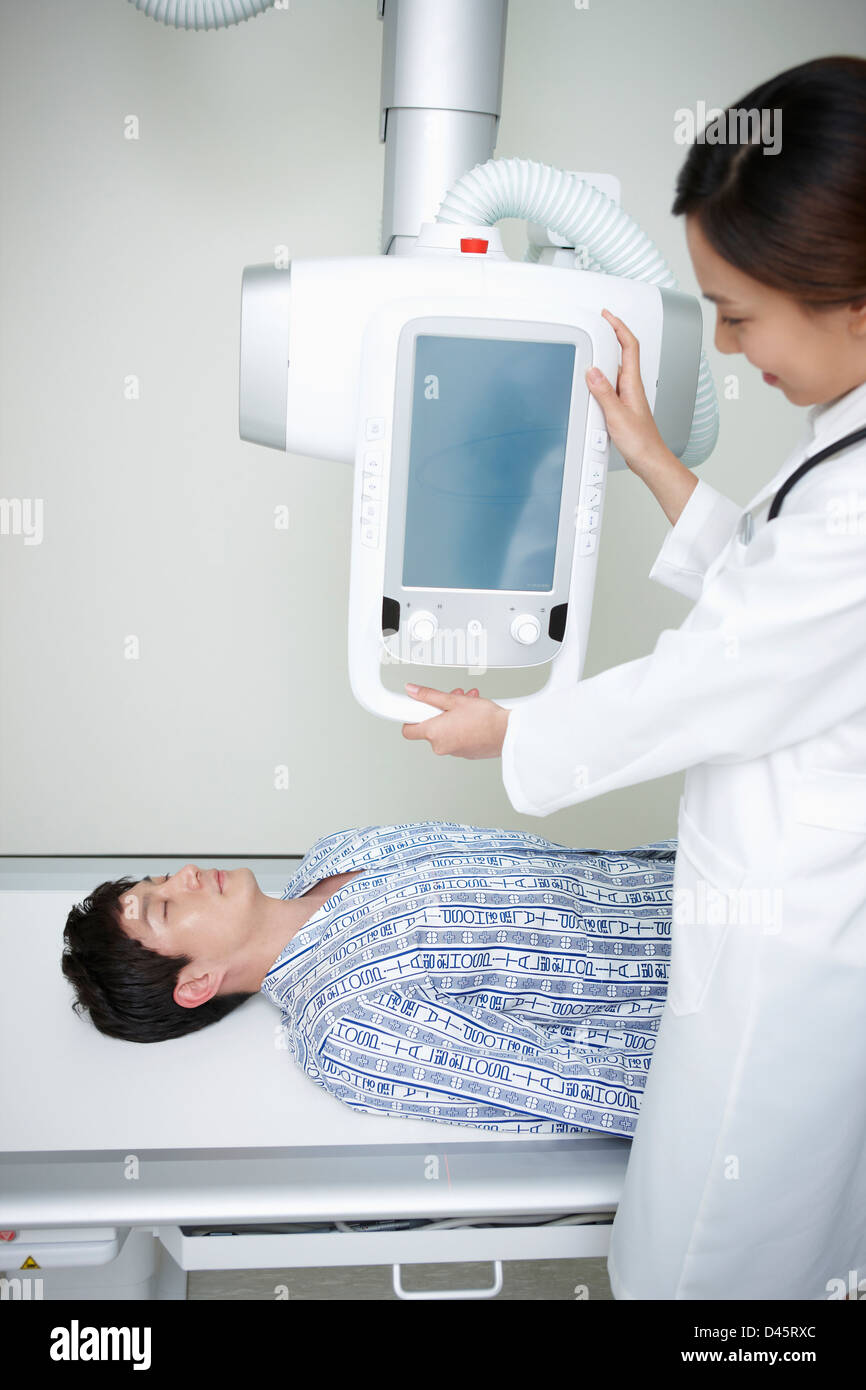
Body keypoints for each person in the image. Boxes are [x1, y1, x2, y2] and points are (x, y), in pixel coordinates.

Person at [401, 56, 866, 1300]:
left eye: (739, 311)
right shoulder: (846, 435)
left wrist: (509, 732)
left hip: (798, 951)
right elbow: (778, 600)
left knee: (712, 1259)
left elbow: (718, 672)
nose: (722, 341)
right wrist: (655, 458)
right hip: (777, 898)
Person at [61, 819, 676, 1135]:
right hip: (730, 980)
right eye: (166, 907)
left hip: (703, 870)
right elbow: (589, 1089)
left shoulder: (341, 849)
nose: (187, 873)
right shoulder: (346, 1028)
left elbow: (568, 865)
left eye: (161, 880)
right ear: (196, 984)